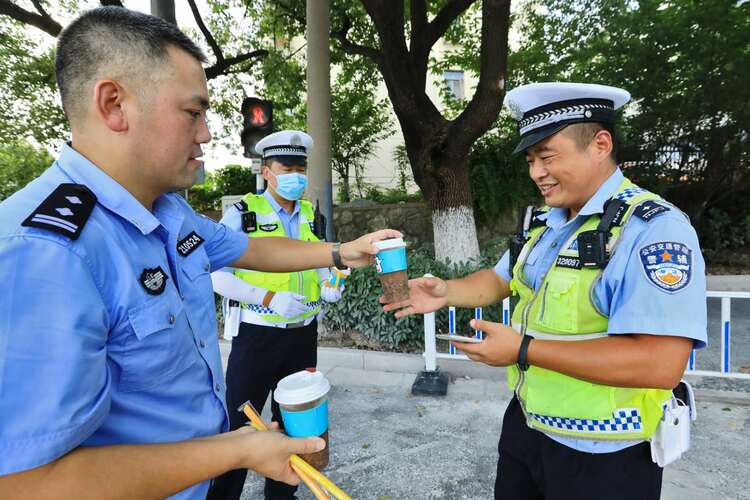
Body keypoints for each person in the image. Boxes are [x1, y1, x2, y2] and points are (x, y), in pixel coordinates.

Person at [0, 7, 399, 500]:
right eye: (192, 112)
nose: (206, 134)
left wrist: (340, 252)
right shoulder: (45, 252)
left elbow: (251, 249)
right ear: (113, 104)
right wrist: (238, 450)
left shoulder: (167, 212)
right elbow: (25, 483)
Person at [384, 82, 707, 499]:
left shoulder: (652, 229)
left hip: (604, 454)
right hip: (527, 426)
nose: (537, 172)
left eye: (548, 156)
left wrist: (522, 351)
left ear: (600, 144)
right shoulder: (546, 222)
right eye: (532, 160)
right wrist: (446, 291)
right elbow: (501, 279)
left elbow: (660, 363)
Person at [207, 130, 345, 500]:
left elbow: (317, 258)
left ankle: (282, 498)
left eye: (301, 167)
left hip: (302, 336)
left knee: (296, 429)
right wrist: (268, 296)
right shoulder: (242, 214)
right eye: (287, 167)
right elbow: (215, 274)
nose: (296, 175)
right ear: (267, 170)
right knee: (241, 425)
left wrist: (329, 281)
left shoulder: (311, 215)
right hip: (258, 336)